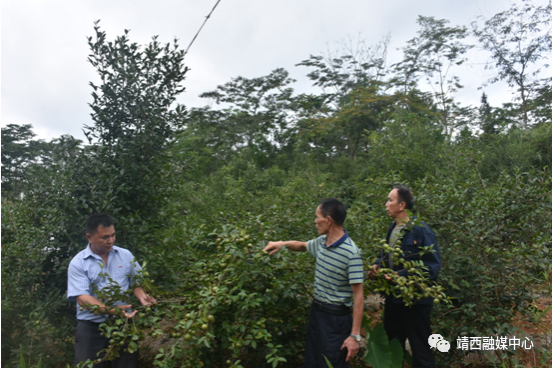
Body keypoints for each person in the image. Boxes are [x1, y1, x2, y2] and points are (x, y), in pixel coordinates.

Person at [263, 198, 364, 368]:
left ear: (329, 220)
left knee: (331, 363)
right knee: (312, 361)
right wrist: (281, 244)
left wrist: (354, 336)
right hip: (317, 315)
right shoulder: (321, 242)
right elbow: (302, 246)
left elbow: (359, 296)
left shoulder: (351, 253)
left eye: (318, 217)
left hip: (336, 321)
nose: (315, 222)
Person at [67, 213, 156, 367]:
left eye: (113, 235)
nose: (111, 240)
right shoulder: (78, 263)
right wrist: (112, 310)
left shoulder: (125, 255)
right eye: (105, 237)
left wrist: (142, 297)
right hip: (92, 329)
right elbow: (82, 298)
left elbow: (136, 282)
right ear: (89, 237)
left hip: (123, 325)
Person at [367, 185, 442, 368]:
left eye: (390, 200)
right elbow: (386, 256)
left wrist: (401, 275)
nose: (386, 204)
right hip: (394, 300)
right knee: (393, 348)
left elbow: (431, 266)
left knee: (421, 350)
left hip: (416, 302)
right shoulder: (392, 229)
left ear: (401, 205)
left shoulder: (421, 231)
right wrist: (377, 265)